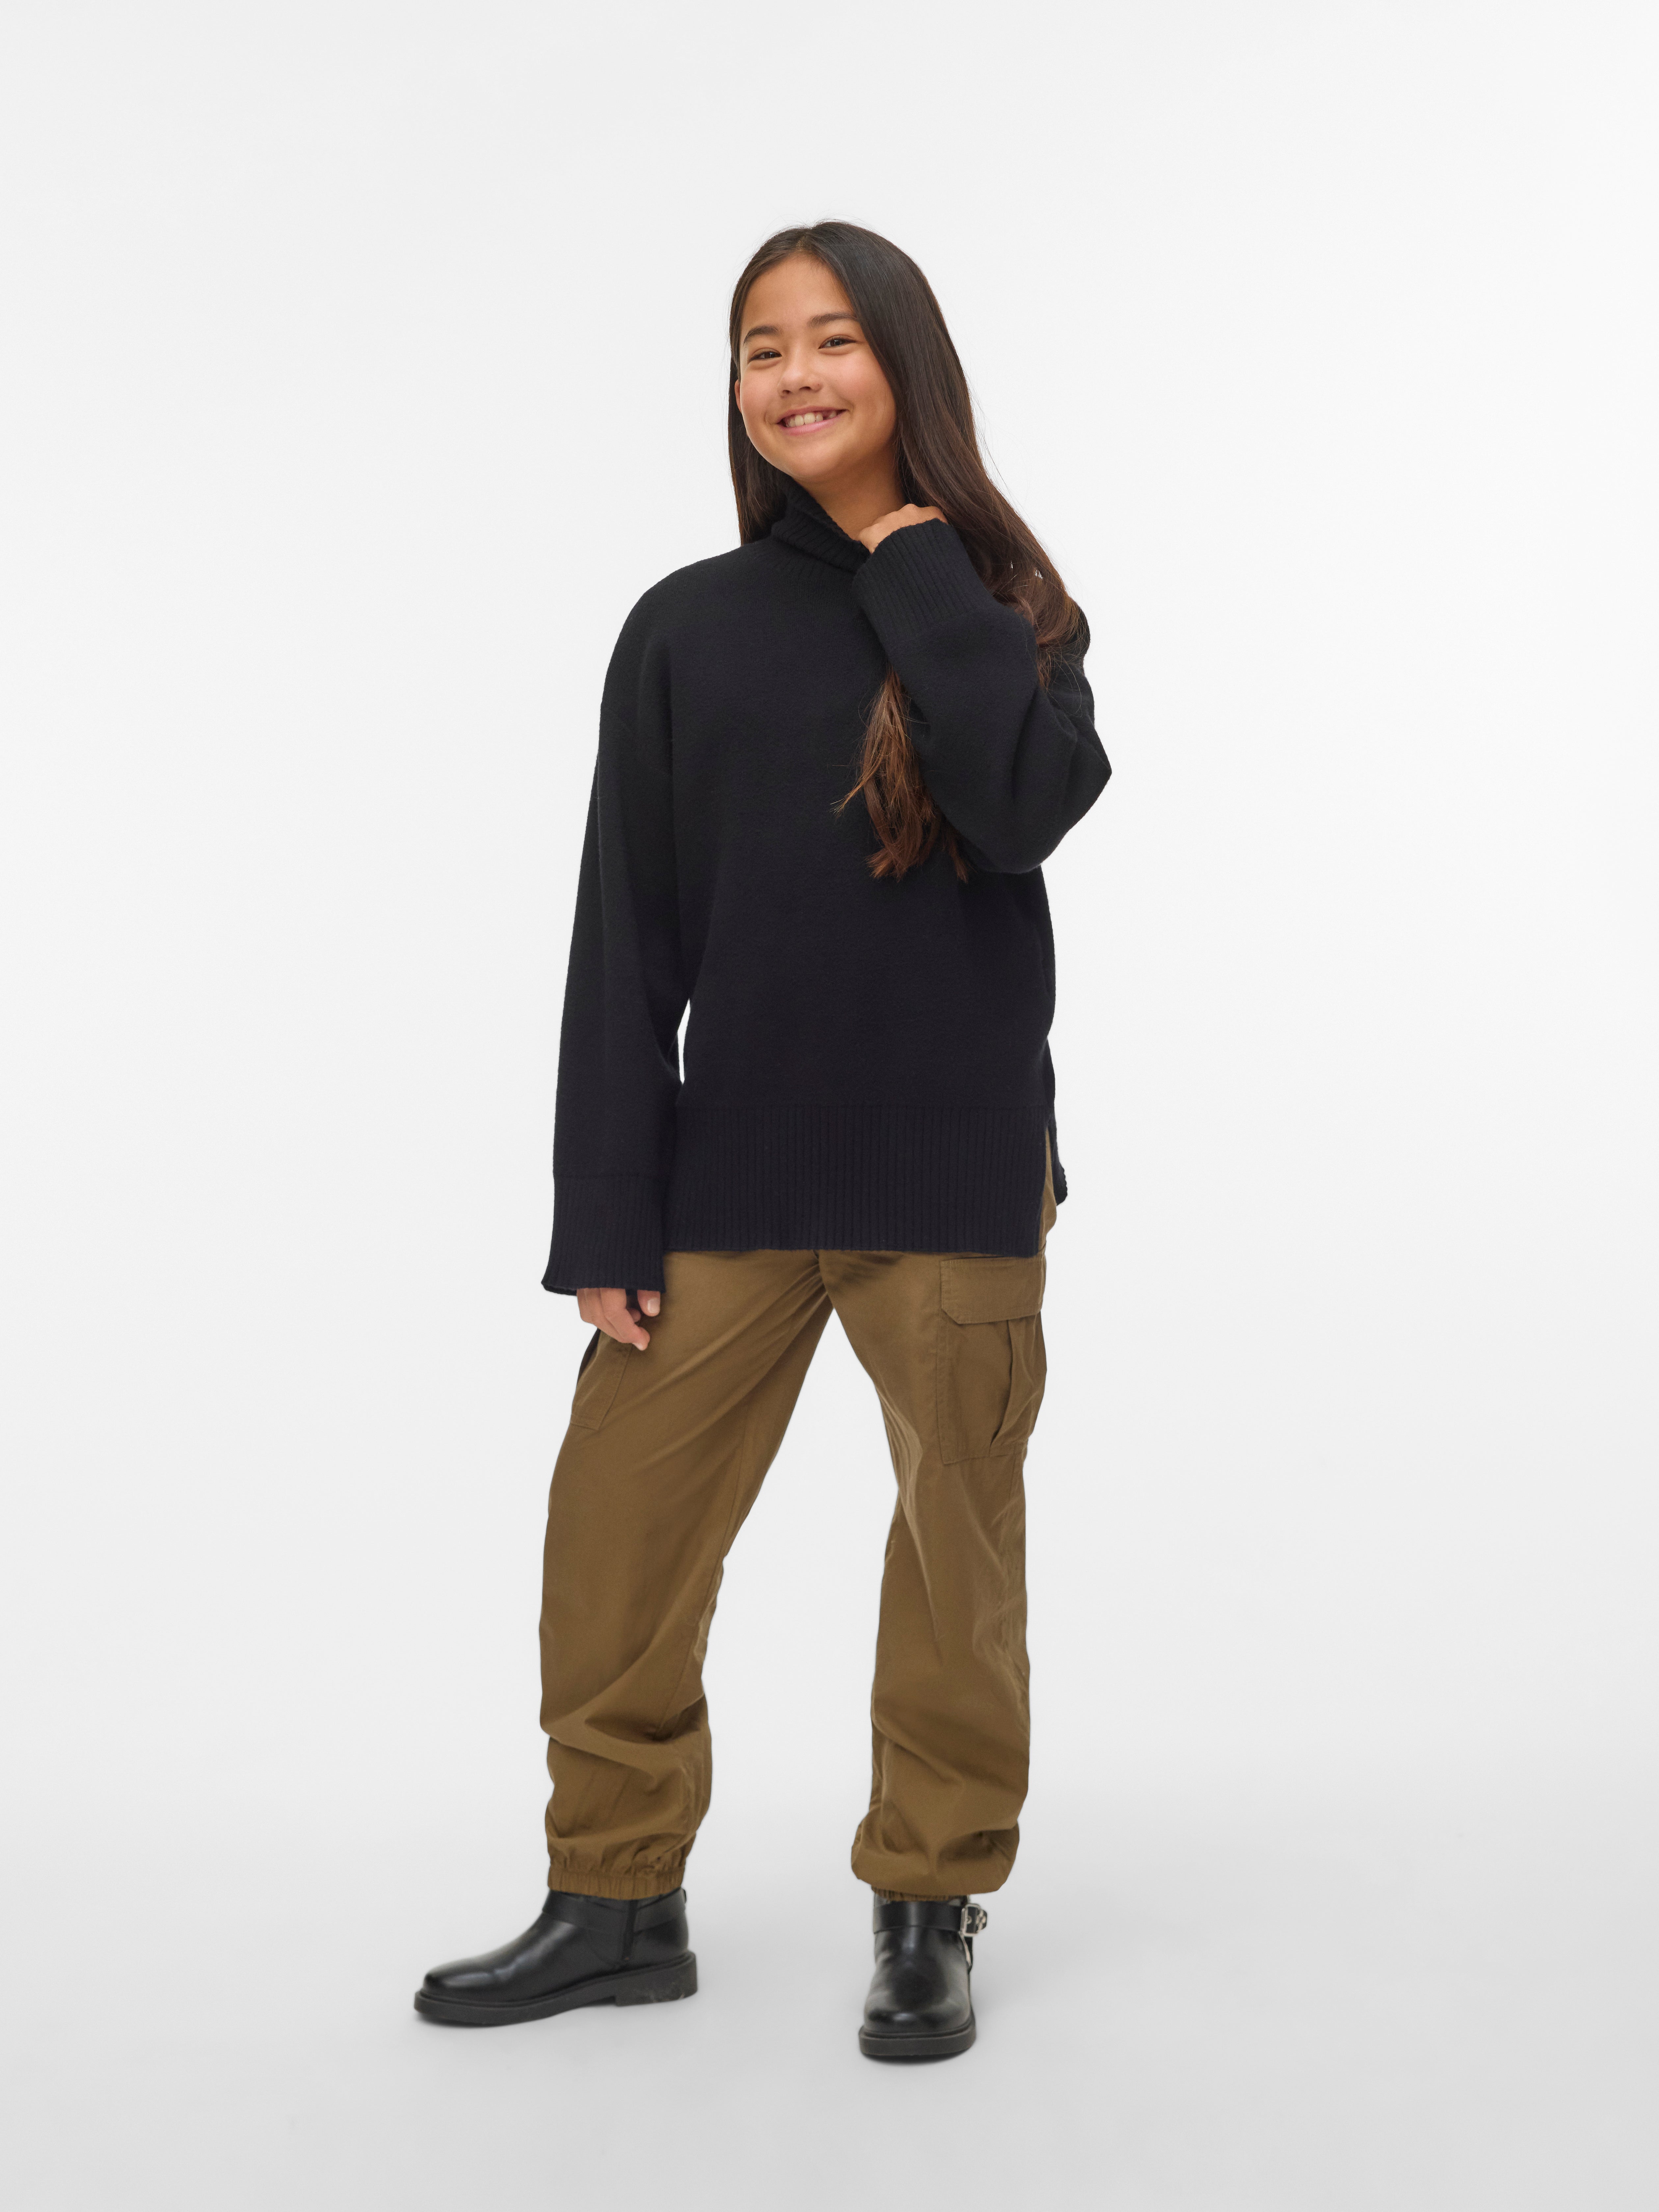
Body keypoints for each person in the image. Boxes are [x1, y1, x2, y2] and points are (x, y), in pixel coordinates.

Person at [415, 220, 1110, 2060]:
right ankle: (615, 1898)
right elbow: (625, 930)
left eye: (831, 341)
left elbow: (1020, 808)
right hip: (727, 1173)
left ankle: (928, 1902)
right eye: (760, 349)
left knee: (956, 1556)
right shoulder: (685, 627)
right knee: (616, 1539)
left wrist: (912, 562)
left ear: (906, 366)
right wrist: (605, 1208)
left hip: (951, 1172)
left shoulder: (1011, 613)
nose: (794, 376)